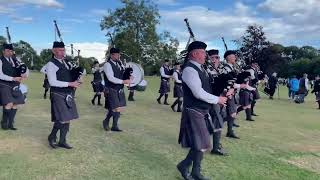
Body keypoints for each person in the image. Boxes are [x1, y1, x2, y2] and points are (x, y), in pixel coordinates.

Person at [177, 41, 227, 180]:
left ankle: (194, 172)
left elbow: (208, 87)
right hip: (194, 110)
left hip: (202, 110)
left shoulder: (201, 68)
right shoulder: (189, 69)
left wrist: (221, 91)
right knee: (203, 144)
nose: (205, 55)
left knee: (200, 144)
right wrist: (217, 100)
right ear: (194, 54)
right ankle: (186, 167)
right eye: (203, 52)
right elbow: (198, 92)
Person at [47, 41, 81, 149]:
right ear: (54, 51)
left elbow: (70, 75)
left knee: (67, 118)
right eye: (60, 50)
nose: (63, 52)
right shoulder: (51, 64)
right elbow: (52, 82)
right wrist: (70, 83)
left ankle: (62, 141)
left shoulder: (66, 62)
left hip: (68, 93)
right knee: (62, 118)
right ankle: (52, 137)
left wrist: (77, 79)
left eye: (63, 50)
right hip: (57, 93)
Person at [0, 43, 29, 130]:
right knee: (9, 103)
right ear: (3, 51)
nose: (9, 52)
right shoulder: (0, 60)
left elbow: (25, 70)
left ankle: (10, 123)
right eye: (7, 51)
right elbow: (0, 75)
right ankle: (4, 122)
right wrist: (13, 78)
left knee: (15, 104)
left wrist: (24, 74)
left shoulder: (16, 60)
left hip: (15, 85)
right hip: (4, 84)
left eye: (11, 51)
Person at [102, 47, 131, 132]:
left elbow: (122, 74)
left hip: (119, 88)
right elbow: (111, 78)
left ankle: (114, 126)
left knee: (118, 108)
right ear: (112, 55)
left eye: (119, 54)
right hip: (111, 89)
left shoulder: (119, 63)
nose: (119, 56)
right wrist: (123, 81)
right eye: (118, 54)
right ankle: (106, 121)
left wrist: (128, 77)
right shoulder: (107, 65)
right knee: (116, 108)